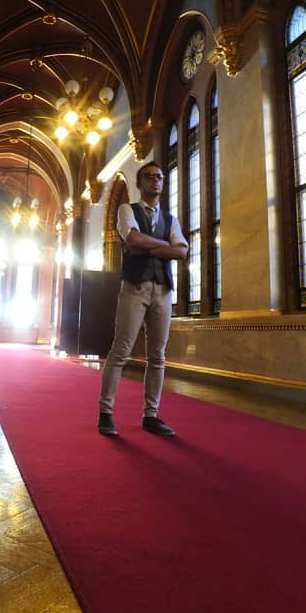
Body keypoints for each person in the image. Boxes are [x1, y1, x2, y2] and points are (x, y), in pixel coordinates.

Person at [97, 161, 188, 437]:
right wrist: (165, 246)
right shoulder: (128, 210)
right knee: (121, 349)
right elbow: (133, 241)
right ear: (140, 183)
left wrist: (150, 246)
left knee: (157, 355)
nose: (156, 181)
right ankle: (105, 413)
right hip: (134, 287)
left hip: (163, 290)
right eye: (149, 177)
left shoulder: (171, 220)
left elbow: (182, 252)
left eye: (159, 177)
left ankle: (151, 415)